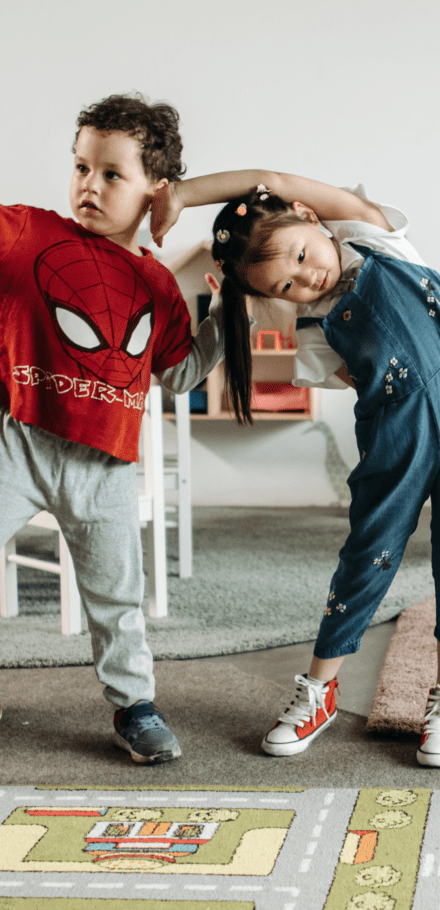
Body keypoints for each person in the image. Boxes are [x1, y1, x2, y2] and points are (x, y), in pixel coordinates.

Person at [151, 169, 440, 768]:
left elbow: (269, 177)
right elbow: (368, 378)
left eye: (302, 257)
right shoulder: (313, 328)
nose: (307, 279)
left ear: (311, 217)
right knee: (369, 552)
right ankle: (320, 689)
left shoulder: (376, 237)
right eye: (287, 285)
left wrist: (182, 194)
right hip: (397, 432)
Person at [0, 93, 226, 763]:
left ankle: (135, 707)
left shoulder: (158, 285)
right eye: (79, 167)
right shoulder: (27, 234)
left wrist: (227, 316)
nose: (88, 186)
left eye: (110, 174)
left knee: (117, 598)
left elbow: (181, 375)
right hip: (20, 442)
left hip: (106, 469)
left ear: (156, 193)